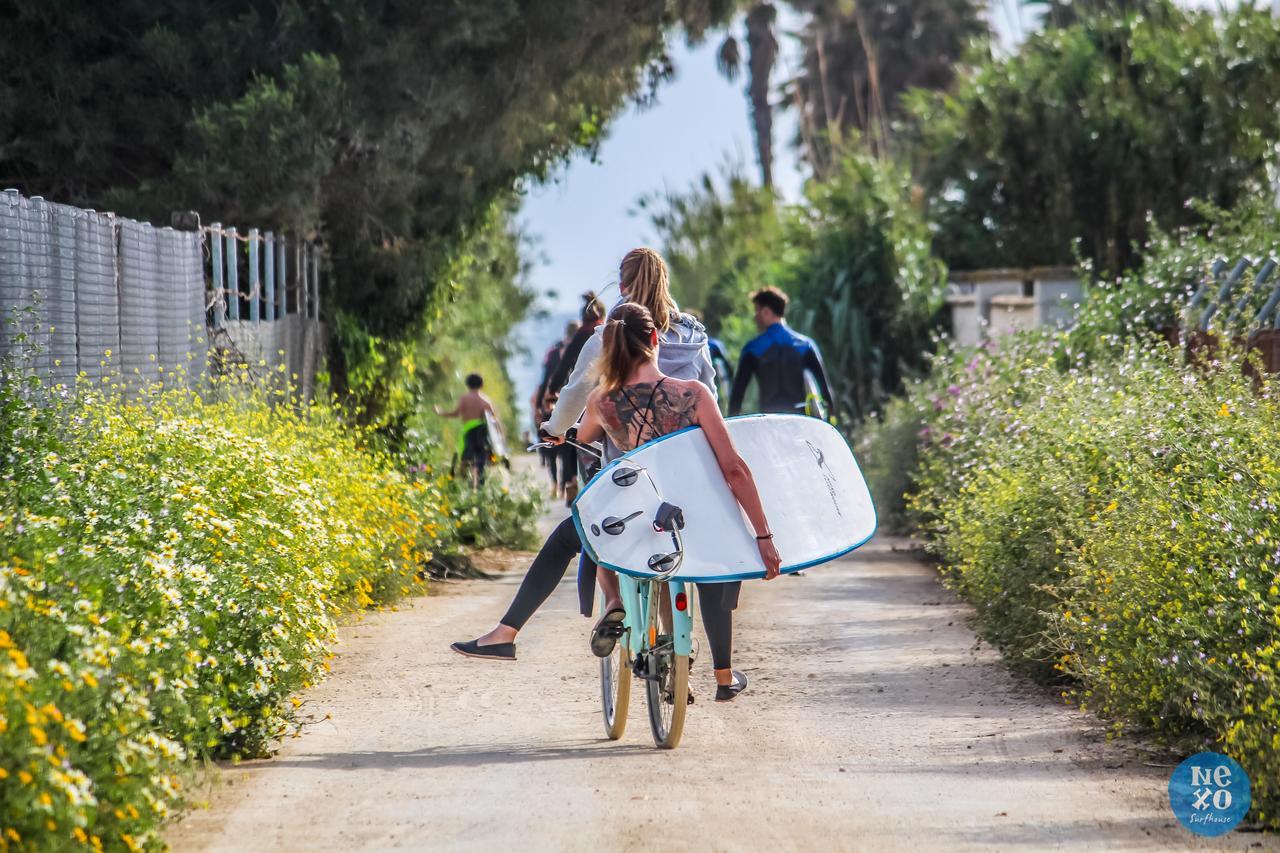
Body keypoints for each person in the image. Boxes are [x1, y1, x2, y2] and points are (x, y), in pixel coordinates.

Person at [454, 304, 779, 700]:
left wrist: (565, 433)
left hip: (631, 515)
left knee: (565, 539)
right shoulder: (693, 395)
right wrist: (763, 535)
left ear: (609, 350)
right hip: (688, 515)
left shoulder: (602, 401)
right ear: (656, 339)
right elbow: (734, 469)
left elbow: (586, 438)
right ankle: (724, 677)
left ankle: (505, 633)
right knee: (711, 563)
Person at [728, 286, 835, 419]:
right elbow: (825, 389)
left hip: (770, 422)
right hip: (801, 421)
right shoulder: (805, 345)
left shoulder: (753, 348)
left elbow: (737, 395)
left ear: (766, 312)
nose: (755, 317)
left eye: (757, 311)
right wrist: (831, 419)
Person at [544, 292, 606, 503]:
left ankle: (571, 480)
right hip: (607, 397)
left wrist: (552, 391)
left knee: (572, 436)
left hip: (581, 395)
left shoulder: (583, 334)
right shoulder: (607, 333)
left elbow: (563, 367)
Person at [532, 322, 578, 498]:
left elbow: (545, 381)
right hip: (572, 404)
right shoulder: (581, 348)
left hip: (552, 404)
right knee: (568, 448)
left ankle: (559, 485)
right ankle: (569, 483)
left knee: (552, 445)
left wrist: (538, 407)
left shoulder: (552, 353)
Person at [435, 373, 498, 488]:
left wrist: (441, 412)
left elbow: (455, 413)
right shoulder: (486, 401)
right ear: (482, 384)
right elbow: (494, 420)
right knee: (480, 460)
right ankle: (479, 484)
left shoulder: (464, 399)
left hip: (468, 431)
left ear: (467, 384)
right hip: (481, 432)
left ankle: (465, 485)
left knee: (465, 459)